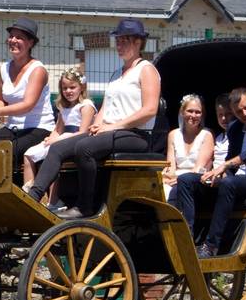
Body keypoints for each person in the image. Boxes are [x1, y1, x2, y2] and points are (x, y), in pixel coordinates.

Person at [27, 18, 161, 219]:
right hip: (112, 132)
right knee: (57, 148)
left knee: (85, 148)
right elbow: (105, 108)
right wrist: (97, 125)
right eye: (118, 40)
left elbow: (150, 110)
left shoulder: (147, 69)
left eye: (124, 40)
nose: (119, 45)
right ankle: (34, 197)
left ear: (138, 42)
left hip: (136, 135)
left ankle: (85, 206)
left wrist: (113, 126)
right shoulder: (117, 74)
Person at [180, 87, 246, 258]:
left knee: (227, 182)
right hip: (232, 179)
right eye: (239, 112)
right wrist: (218, 174)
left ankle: (211, 245)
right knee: (186, 180)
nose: (245, 113)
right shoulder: (235, 129)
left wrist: (224, 167)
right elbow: (231, 157)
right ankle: (186, 238)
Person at [0, 17, 55, 170]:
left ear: (30, 43)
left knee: (8, 153)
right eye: (11, 36)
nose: (13, 40)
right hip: (13, 127)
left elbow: (27, 105)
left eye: (19, 37)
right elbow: (1, 101)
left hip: (39, 128)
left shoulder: (38, 70)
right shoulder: (3, 69)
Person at [22, 67, 96, 210]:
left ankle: (53, 200)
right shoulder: (63, 107)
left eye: (72, 87)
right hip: (62, 137)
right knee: (29, 153)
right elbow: (58, 129)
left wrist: (57, 140)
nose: (68, 91)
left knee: (53, 154)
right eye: (64, 88)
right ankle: (29, 190)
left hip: (75, 139)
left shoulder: (86, 106)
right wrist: (50, 138)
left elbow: (83, 132)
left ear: (81, 87)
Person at [162, 94, 214, 202]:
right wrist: (169, 178)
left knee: (175, 191)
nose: (193, 115)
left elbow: (199, 169)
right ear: (182, 112)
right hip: (174, 177)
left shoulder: (207, 135)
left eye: (198, 112)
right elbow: (170, 166)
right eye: (190, 111)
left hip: (195, 180)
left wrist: (179, 180)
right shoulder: (173, 135)